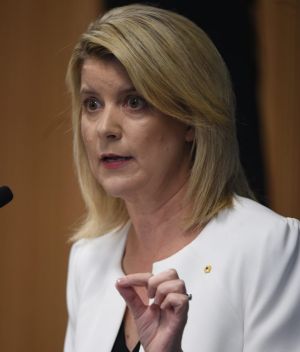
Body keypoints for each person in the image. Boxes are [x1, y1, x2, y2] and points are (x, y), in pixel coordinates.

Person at [64, 4, 300, 352]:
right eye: (93, 104)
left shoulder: (268, 246)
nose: (105, 129)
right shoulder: (88, 257)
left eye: (134, 102)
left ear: (190, 118)